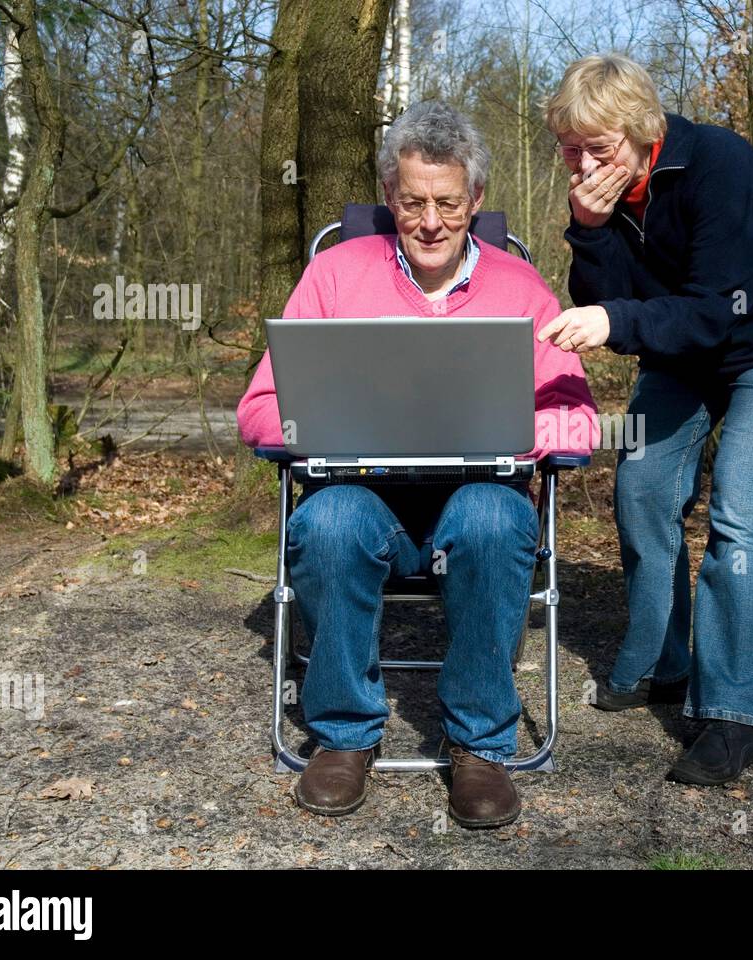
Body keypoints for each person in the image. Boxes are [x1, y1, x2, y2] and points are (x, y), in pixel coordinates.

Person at [238, 101, 598, 826]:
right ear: (388, 198)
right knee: (329, 522)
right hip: (362, 493)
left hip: (478, 497)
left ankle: (480, 746)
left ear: (476, 200)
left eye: (447, 202)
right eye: (411, 202)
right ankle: (342, 735)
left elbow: (578, 420)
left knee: (497, 519)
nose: (430, 221)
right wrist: (320, 421)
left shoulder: (522, 291)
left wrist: (518, 431)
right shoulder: (336, 278)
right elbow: (257, 409)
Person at [538, 53, 753, 785]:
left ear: (644, 131)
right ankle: (660, 663)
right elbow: (613, 297)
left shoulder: (720, 165)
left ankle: (732, 719)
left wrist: (615, 317)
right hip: (685, 346)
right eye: (571, 150)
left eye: (598, 149)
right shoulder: (604, 193)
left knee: (741, 510)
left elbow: (710, 310)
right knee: (642, 487)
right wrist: (590, 228)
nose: (584, 165)